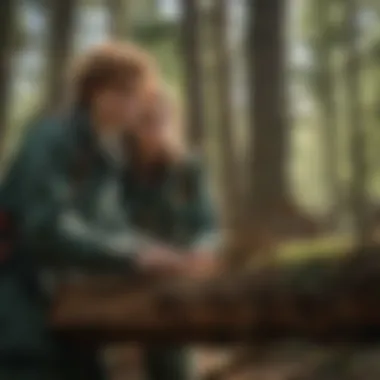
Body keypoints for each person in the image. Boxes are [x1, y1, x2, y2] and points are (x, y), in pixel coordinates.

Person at [0, 42, 186, 380]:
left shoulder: (106, 157)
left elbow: (109, 229)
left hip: (72, 313)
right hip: (21, 310)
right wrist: (134, 256)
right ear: (97, 92)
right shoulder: (49, 140)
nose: (136, 105)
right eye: (127, 93)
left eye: (138, 94)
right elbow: (46, 226)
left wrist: (155, 253)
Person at [122, 88, 220, 380]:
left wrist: (201, 249)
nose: (154, 128)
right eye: (145, 120)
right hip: (122, 273)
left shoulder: (188, 168)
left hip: (174, 280)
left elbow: (207, 224)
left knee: (172, 363)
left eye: (160, 120)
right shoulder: (115, 167)